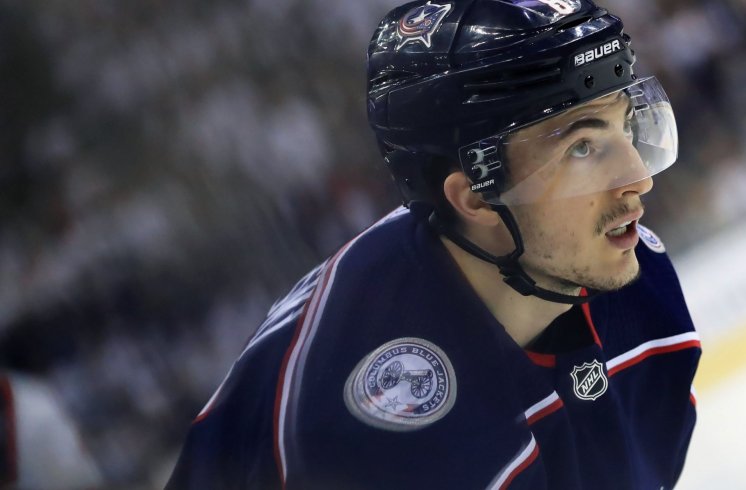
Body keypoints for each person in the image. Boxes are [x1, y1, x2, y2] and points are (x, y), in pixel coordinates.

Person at [167, 0, 701, 488]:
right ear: (475, 197)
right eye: (582, 147)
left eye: (624, 126)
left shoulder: (635, 284)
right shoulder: (372, 437)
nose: (638, 176)